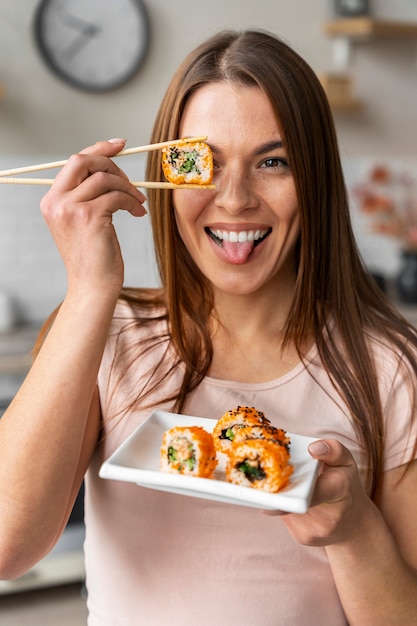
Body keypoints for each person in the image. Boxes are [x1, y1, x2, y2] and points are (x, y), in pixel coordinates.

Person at [0, 29, 416, 625]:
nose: (236, 199)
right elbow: (6, 547)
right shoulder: (107, 334)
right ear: (167, 179)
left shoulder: (390, 366)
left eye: (273, 162)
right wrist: (91, 288)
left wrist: (355, 533)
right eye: (205, 163)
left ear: (317, 181)